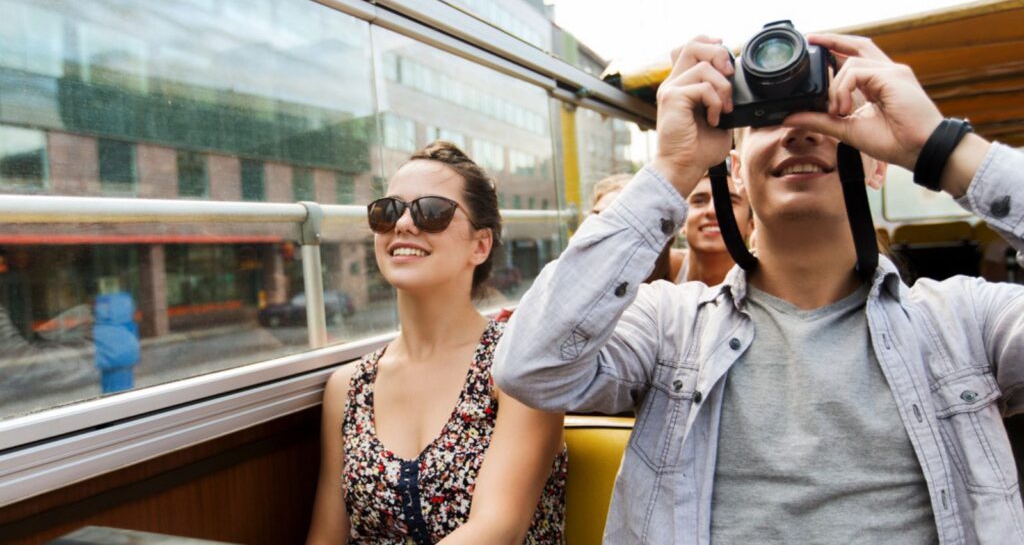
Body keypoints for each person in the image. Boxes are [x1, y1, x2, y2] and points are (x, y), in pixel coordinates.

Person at [494, 32, 1024, 544]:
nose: (800, 130)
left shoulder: (967, 321)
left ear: (879, 166)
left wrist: (940, 148)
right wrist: (672, 168)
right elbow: (531, 367)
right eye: (767, 118)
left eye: (832, 113)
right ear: (736, 173)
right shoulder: (670, 323)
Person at [307, 142, 567, 544]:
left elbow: (497, 531)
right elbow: (327, 538)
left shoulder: (519, 367)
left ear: (480, 245)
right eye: (387, 210)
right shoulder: (348, 388)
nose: (404, 225)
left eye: (431, 212)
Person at [591, 172, 753, 286]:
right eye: (699, 201)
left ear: (751, 225)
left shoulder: (763, 283)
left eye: (729, 202)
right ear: (680, 222)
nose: (712, 211)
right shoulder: (654, 270)